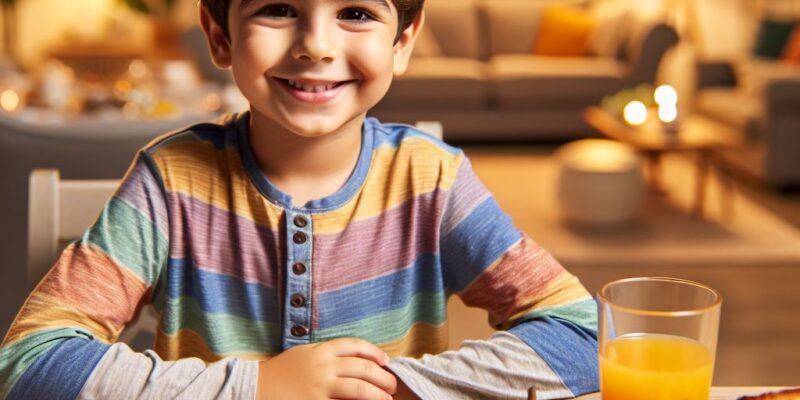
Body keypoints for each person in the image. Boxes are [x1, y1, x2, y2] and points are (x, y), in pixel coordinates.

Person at [0, 0, 599, 398]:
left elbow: (587, 337)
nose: (316, 44)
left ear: (403, 41)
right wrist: (259, 387)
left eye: (357, 12)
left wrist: (393, 385)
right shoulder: (170, 181)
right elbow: (31, 362)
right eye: (279, 8)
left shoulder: (432, 180)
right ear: (220, 36)